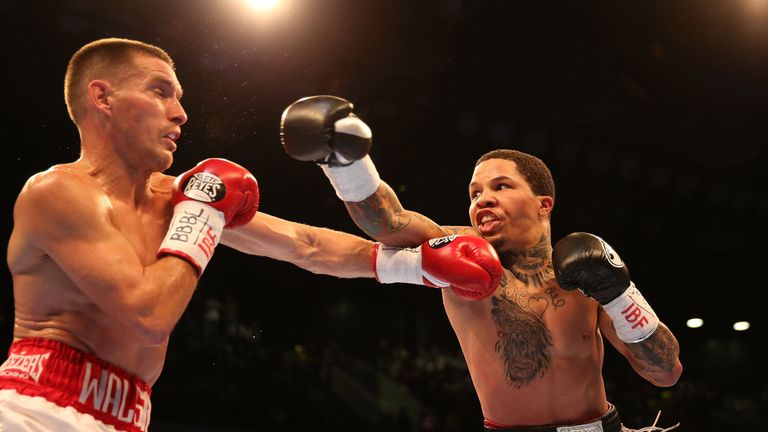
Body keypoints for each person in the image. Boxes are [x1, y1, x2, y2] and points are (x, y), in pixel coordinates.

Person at [0, 39, 504, 432]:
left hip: (130, 413)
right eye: (160, 91)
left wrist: (419, 266)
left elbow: (305, 246)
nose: (180, 113)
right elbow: (147, 313)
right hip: (37, 409)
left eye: (180, 97)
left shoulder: (179, 196)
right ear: (102, 97)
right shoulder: (56, 193)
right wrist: (201, 214)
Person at [279, 95, 684, 432]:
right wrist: (345, 162)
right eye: (474, 192)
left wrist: (619, 293)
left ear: (544, 204)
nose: (481, 199)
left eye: (500, 186)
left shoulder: (583, 274)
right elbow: (388, 222)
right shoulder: (461, 248)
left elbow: (665, 372)